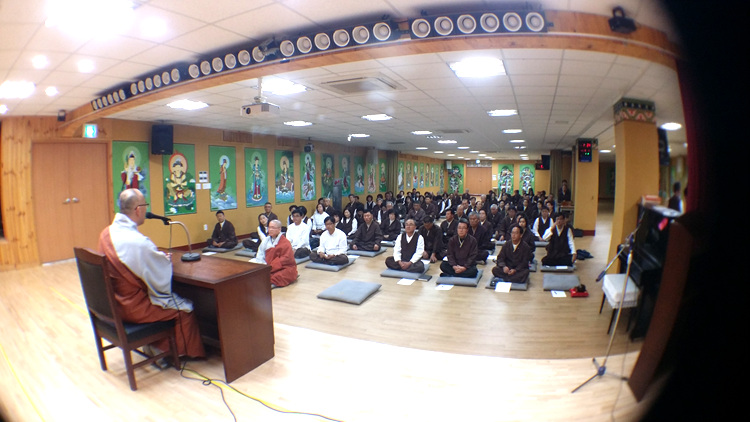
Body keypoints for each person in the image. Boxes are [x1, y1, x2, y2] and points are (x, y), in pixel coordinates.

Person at [98, 189, 205, 358]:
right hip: (133, 308)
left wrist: (153, 257)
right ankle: (174, 353)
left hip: (114, 304)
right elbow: (159, 276)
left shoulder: (106, 233)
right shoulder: (138, 242)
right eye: (145, 205)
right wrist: (162, 260)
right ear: (138, 209)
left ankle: (157, 346)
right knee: (185, 308)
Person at [250, 220, 298, 287]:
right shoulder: (265, 240)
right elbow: (260, 254)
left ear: (279, 229)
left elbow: (286, 259)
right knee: (251, 264)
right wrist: (263, 266)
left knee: (282, 275)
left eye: (273, 228)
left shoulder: (285, 243)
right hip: (267, 266)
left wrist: (270, 267)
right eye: (269, 227)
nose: (270, 230)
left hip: (282, 268)